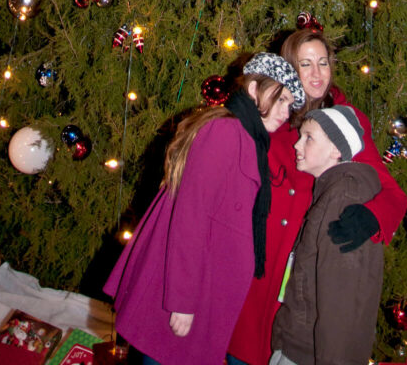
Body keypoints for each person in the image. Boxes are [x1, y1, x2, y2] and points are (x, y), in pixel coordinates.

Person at [104, 53, 305, 365]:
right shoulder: (226, 132)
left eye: (290, 104)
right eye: (281, 99)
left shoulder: (250, 139)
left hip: (208, 291)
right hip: (186, 296)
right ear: (253, 89)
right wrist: (182, 301)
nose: (285, 112)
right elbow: (190, 218)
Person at [227, 30, 407, 365]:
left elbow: (392, 194)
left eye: (322, 62)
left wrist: (372, 217)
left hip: (300, 291)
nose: (316, 73)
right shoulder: (271, 116)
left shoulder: (346, 123)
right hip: (254, 280)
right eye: (305, 64)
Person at [269, 106, 384, 365]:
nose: (297, 145)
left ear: (336, 149)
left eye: (308, 137)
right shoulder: (329, 191)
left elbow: (342, 300)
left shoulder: (343, 199)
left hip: (309, 354)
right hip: (297, 346)